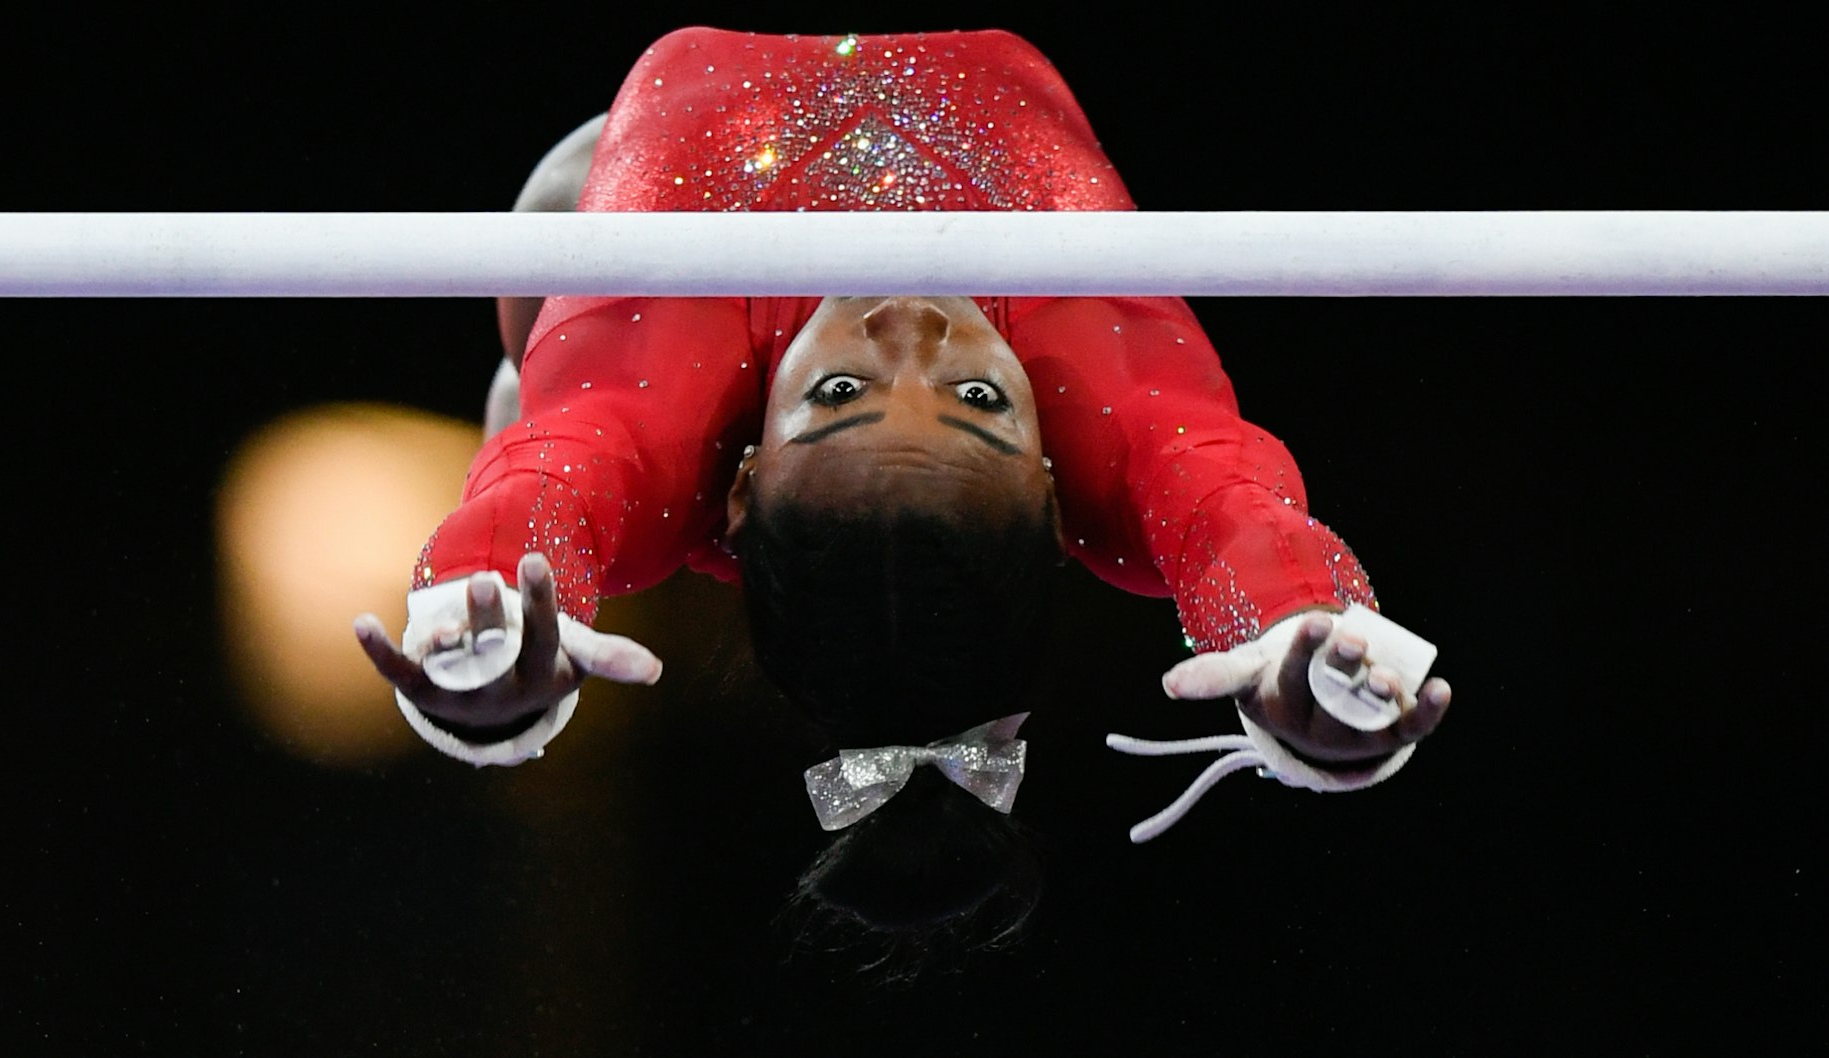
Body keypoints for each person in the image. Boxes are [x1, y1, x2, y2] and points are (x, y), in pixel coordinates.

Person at [354, 26, 1451, 942]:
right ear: (1057, 486)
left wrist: (482, 623)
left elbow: (547, 487)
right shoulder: (1112, 421)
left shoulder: (659, 391)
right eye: (980, 403)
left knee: (572, 371)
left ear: (744, 483)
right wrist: (1305, 624)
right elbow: (1231, 516)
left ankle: (533, 368)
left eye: (837, 389)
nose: (912, 329)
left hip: (618, 253)